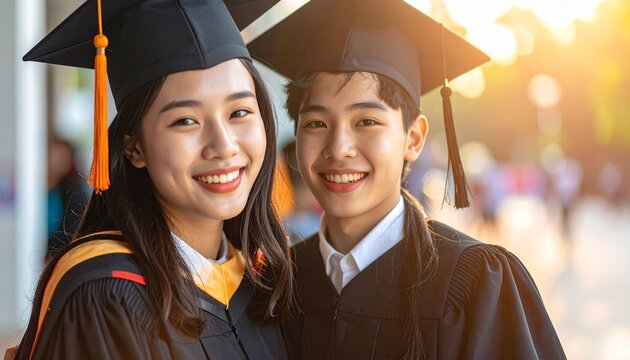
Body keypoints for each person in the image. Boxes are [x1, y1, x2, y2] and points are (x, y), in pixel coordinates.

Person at [249, 0, 566, 358]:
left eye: (366, 121)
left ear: (413, 138)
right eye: (316, 124)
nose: (338, 148)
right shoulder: (277, 285)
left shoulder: (475, 282)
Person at [10, 0, 292, 359]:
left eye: (239, 112)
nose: (223, 146)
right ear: (134, 148)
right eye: (185, 120)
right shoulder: (106, 293)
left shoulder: (262, 282)